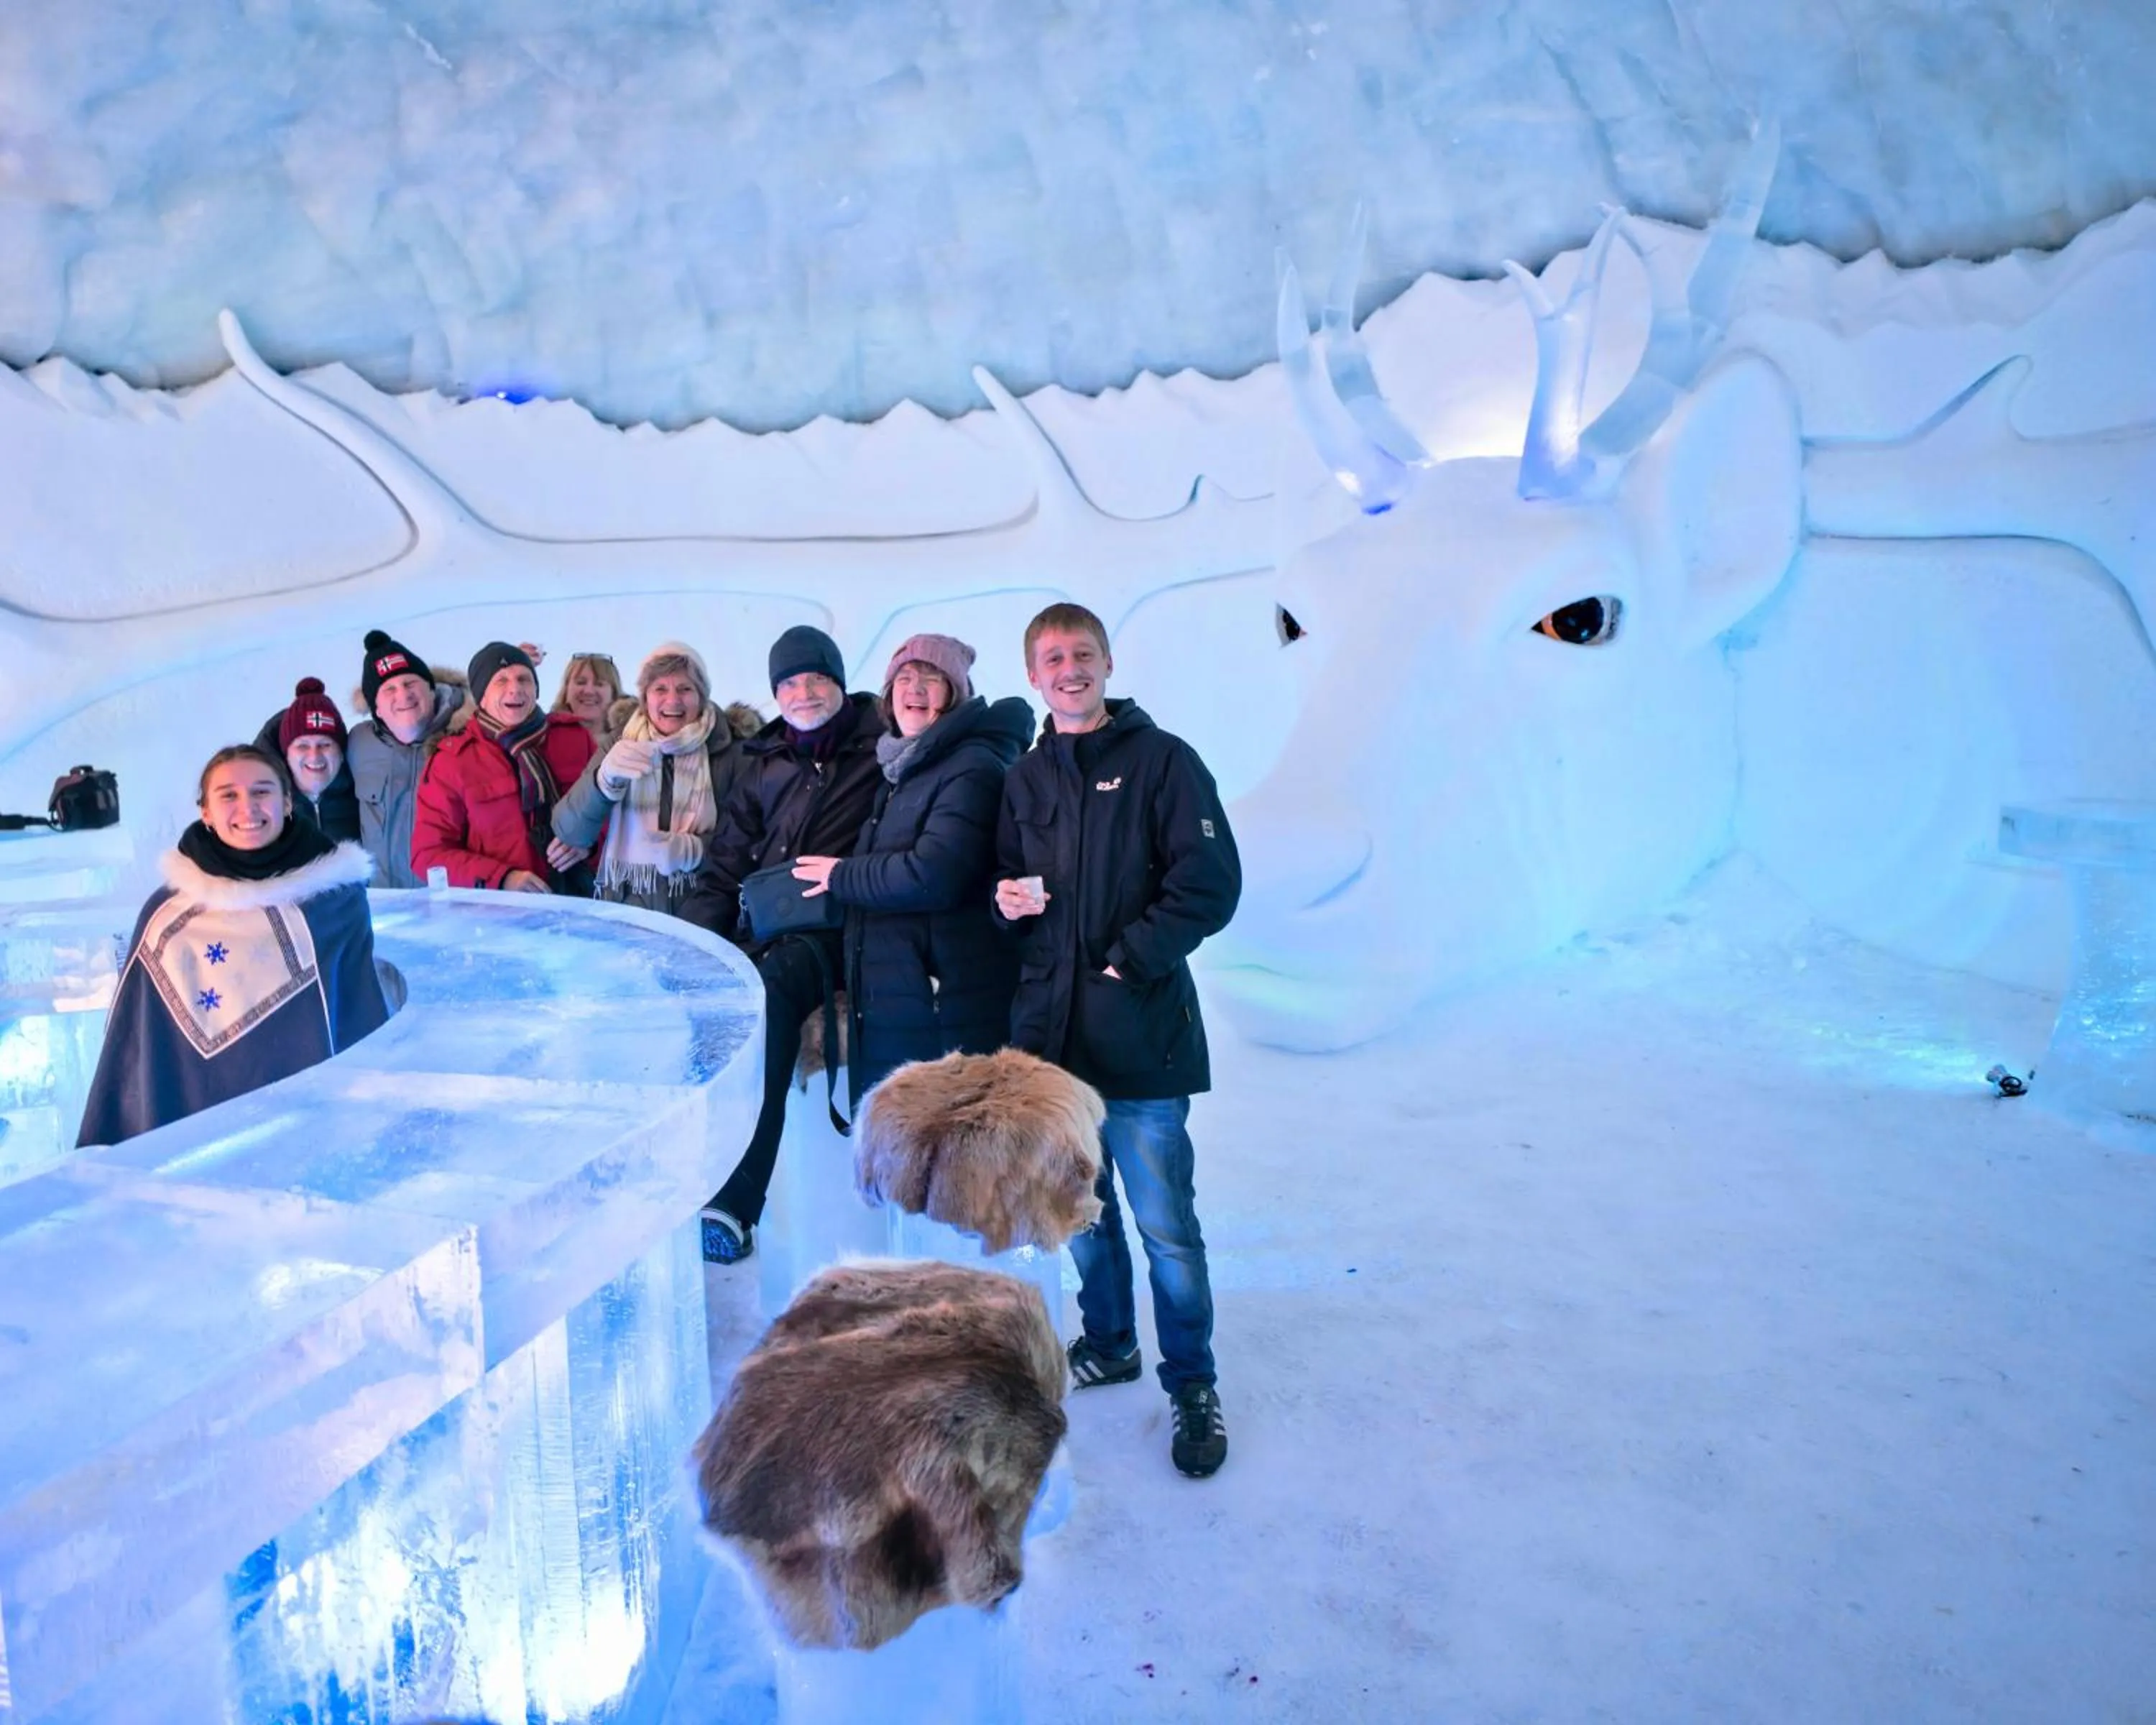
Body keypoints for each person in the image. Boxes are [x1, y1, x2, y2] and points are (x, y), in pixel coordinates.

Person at [992, 602, 1241, 1478]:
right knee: (1083, 1218)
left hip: (1140, 1038)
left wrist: (1127, 961)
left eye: (1082, 653)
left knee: (1167, 1227)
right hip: (1054, 1051)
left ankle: (1193, 1383)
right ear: (1032, 675)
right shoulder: (1024, 780)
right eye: (1053, 657)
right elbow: (1004, 887)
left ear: (1106, 662)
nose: (1069, 668)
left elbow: (1210, 885)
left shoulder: (1163, 761)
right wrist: (1006, 902)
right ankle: (1109, 1341)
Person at [680, 624, 884, 1264]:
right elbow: (725, 862)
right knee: (705, 1002)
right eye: (789, 682)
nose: (803, 692)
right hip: (764, 927)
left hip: (837, 934)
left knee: (769, 996)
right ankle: (685, 1177)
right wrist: (695, 943)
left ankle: (733, 1205)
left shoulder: (881, 750)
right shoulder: (764, 763)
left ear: (838, 682)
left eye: (815, 678)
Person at [76, 745, 389, 1146]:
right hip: (190, 1127)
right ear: (205, 812)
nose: (248, 808)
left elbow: (357, 1012)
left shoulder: (334, 899)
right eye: (228, 795)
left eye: (262, 792)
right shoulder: (169, 913)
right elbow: (140, 1044)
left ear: (287, 801)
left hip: (314, 1125)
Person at [789, 633, 1032, 1105]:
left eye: (931, 678)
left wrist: (842, 876)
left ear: (955, 694)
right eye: (904, 677)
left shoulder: (971, 767)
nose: (914, 688)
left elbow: (933, 874)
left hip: (944, 1009)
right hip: (902, 1006)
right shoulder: (904, 771)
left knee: (945, 1162)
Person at [551, 642, 763, 914]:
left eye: (685, 689)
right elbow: (570, 831)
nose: (672, 701)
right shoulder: (621, 741)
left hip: (707, 913)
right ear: (645, 696)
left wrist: (697, 850)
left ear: (702, 695)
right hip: (628, 911)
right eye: (660, 689)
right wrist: (602, 783)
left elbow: (756, 840)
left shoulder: (731, 749)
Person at [412, 642, 597, 891]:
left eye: (524, 679)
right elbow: (428, 854)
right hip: (499, 916)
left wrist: (589, 844)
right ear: (482, 697)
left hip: (580, 900)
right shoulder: (452, 761)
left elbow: (611, 810)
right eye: (501, 681)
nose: (516, 689)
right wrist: (502, 878)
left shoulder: (575, 738)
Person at [346, 628, 468, 887]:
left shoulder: (469, 736)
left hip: (456, 906)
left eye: (411, 683)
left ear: (432, 690)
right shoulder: (359, 743)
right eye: (389, 688)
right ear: (375, 707)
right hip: (386, 910)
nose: (403, 694)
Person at [251, 677, 360, 842]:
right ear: (286, 754)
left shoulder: (364, 790)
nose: (314, 756)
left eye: (325, 745)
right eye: (302, 746)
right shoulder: (262, 801)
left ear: (341, 753)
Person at [551, 652, 625, 745]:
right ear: (566, 690)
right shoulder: (542, 739)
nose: (589, 691)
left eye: (599, 684)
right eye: (581, 682)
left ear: (613, 694)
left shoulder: (634, 743)